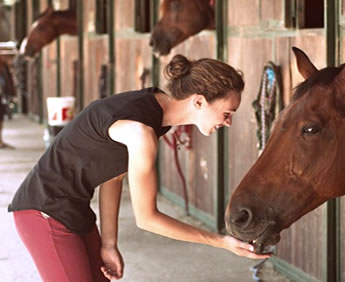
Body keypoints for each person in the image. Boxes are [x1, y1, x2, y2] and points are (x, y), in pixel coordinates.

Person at [8, 54, 270, 281]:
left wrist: (109, 243)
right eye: (227, 112)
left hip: (75, 211)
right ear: (199, 101)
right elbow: (147, 219)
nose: (228, 122)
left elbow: (113, 176)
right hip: (43, 212)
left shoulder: (151, 112)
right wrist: (221, 241)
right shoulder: (140, 131)